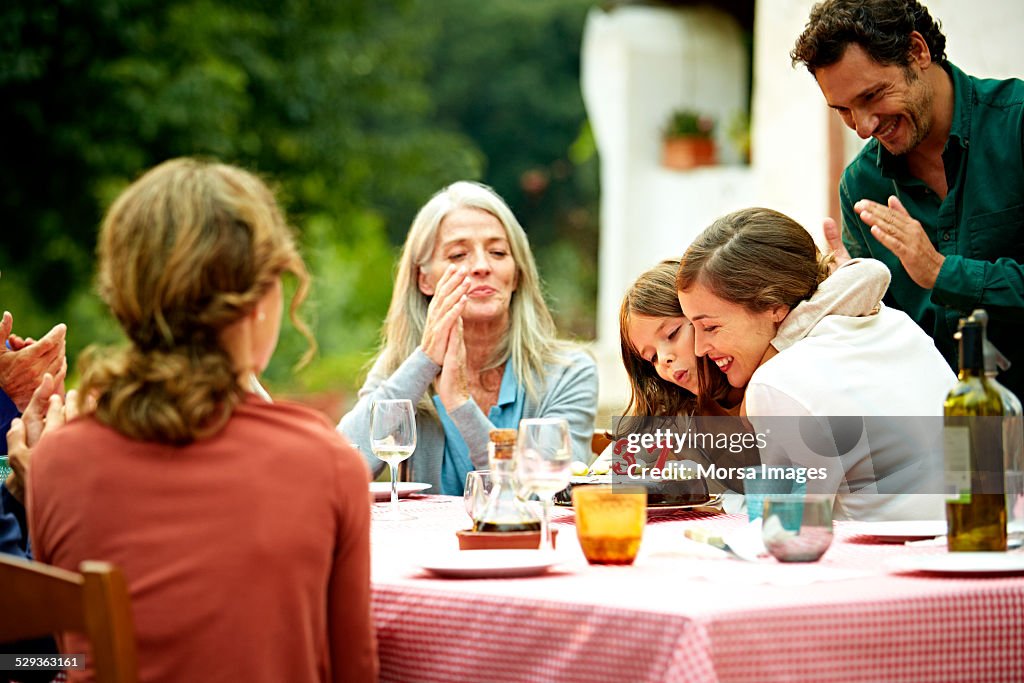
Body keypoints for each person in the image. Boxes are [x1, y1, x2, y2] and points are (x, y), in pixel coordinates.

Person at [26, 158, 378, 682]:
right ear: (260, 301)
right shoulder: (327, 462)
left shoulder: (57, 459)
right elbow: (354, 671)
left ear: (125, 294)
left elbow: (60, 659)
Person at [791, 0, 1024, 398]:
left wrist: (941, 272)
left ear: (918, 52)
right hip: (943, 438)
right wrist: (855, 308)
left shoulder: (1015, 125)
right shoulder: (860, 186)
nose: (863, 128)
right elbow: (892, 348)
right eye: (844, 110)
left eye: (872, 95)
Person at [677, 207, 957, 521]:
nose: (699, 349)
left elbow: (785, 526)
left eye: (710, 327)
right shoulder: (896, 324)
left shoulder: (778, 382)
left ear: (774, 306)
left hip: (885, 560)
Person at [338, 181, 598, 495]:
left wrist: (460, 404)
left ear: (516, 275)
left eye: (498, 252)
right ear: (425, 280)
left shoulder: (569, 372)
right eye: (458, 254)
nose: (481, 266)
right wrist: (426, 361)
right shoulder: (400, 366)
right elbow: (338, 470)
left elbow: (552, 495)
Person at [603, 256, 891, 491]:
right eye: (651, 357)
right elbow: (603, 475)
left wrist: (774, 355)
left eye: (673, 333)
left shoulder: (781, 361)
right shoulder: (681, 416)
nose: (664, 359)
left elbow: (868, 274)